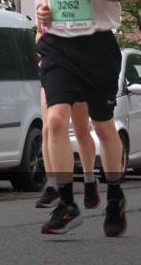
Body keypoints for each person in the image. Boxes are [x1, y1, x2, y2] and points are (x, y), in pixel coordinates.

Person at [36, 0, 141, 237]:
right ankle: (67, 202)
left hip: (97, 45)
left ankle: (114, 195)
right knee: (54, 121)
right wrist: (43, 12)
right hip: (58, 44)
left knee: (101, 125)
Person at [34, 24, 100, 210]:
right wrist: (43, 52)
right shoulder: (46, 3)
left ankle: (89, 179)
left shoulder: (80, 5)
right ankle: (53, 183)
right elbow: (40, 32)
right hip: (52, 70)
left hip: (79, 70)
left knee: (81, 129)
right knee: (49, 126)